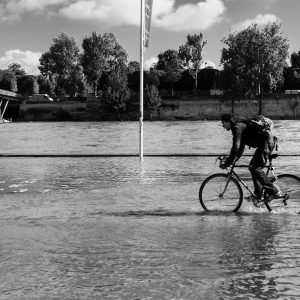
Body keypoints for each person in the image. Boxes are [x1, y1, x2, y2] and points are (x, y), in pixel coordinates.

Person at [220, 113, 281, 203]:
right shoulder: (240, 125)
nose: (223, 126)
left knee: (255, 169)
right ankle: (258, 194)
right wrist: (234, 160)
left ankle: (274, 192)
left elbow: (235, 147)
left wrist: (227, 163)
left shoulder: (236, 127)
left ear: (228, 121)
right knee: (252, 167)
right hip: (266, 142)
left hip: (266, 143)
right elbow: (240, 147)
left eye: (223, 123)